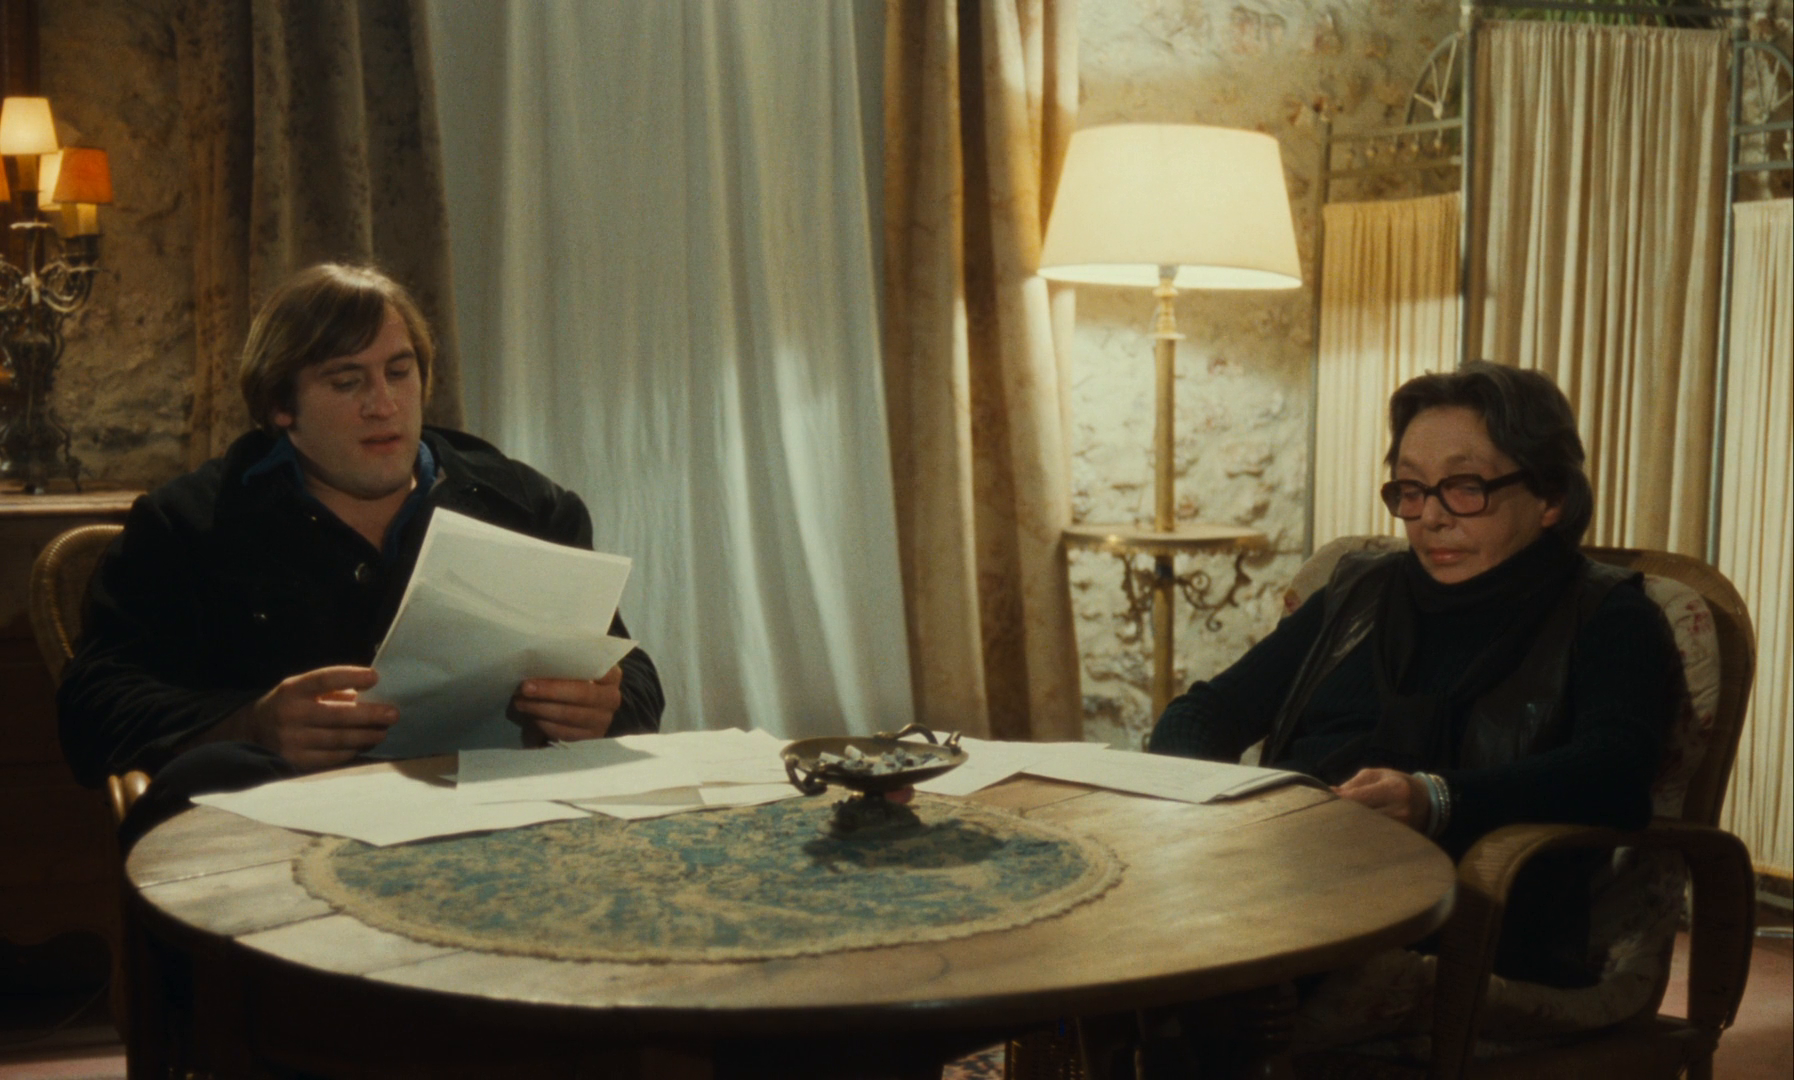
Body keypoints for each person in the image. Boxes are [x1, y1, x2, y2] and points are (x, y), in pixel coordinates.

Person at [1149, 360, 1681, 1043]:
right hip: (1286, 866)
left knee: (1177, 978)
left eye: (1464, 487)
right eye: (1410, 488)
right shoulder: (1357, 593)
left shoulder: (1608, 615)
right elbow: (1202, 713)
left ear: (1549, 496)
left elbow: (1614, 772)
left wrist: (1437, 798)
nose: (1429, 516)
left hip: (1475, 905)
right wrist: (1208, 804)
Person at [58, 263, 663, 842]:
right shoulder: (190, 525)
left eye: (399, 372)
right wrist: (251, 724)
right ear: (281, 405)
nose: (384, 404)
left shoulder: (527, 508)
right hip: (293, 831)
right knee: (214, 775)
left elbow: (630, 672)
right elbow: (93, 706)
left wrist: (603, 705)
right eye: (347, 382)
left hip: (499, 818)